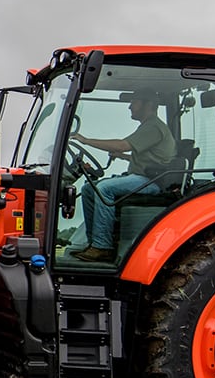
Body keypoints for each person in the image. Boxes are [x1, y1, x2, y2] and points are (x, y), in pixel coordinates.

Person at [70, 90, 175, 261]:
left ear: (148, 104)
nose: (130, 106)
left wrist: (86, 140)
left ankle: (103, 247)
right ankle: (94, 243)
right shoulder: (149, 126)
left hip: (152, 181)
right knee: (89, 188)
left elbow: (122, 145)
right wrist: (122, 156)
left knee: (103, 188)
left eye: (134, 102)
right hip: (146, 176)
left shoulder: (153, 127)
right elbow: (146, 157)